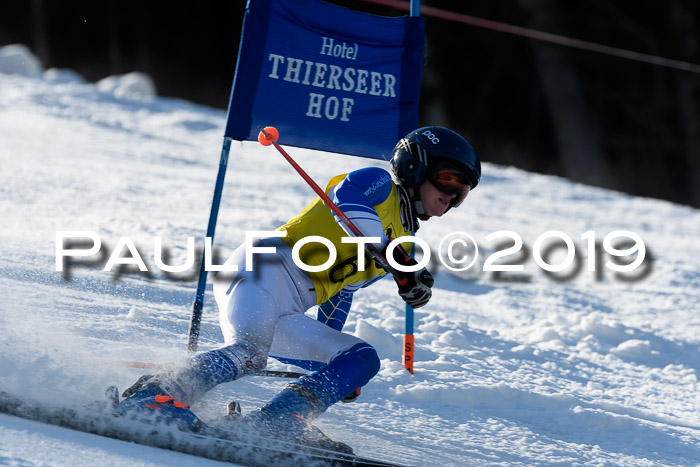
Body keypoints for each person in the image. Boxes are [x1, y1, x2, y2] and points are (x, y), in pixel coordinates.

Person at [116, 126, 481, 450]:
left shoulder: (405, 239)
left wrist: (333, 368)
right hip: (264, 267)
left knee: (361, 359)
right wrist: (389, 253)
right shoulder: (379, 184)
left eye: (462, 191)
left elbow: (342, 293)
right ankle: (155, 396)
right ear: (415, 166)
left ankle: (275, 424)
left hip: (291, 305)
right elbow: (347, 200)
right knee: (249, 353)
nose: (452, 195)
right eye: (449, 179)